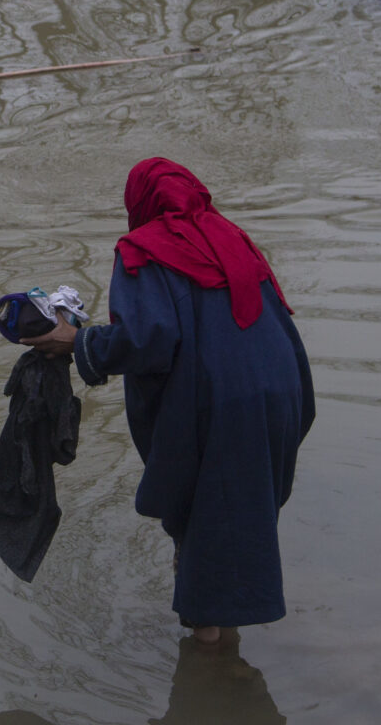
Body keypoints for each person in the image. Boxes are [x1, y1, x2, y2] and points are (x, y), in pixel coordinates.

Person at [23, 157, 314, 643]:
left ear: (140, 203)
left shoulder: (143, 249)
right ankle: (226, 645)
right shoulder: (232, 237)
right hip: (282, 390)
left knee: (205, 520)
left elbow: (148, 339)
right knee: (235, 517)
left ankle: (209, 671)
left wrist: (79, 342)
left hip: (221, 405)